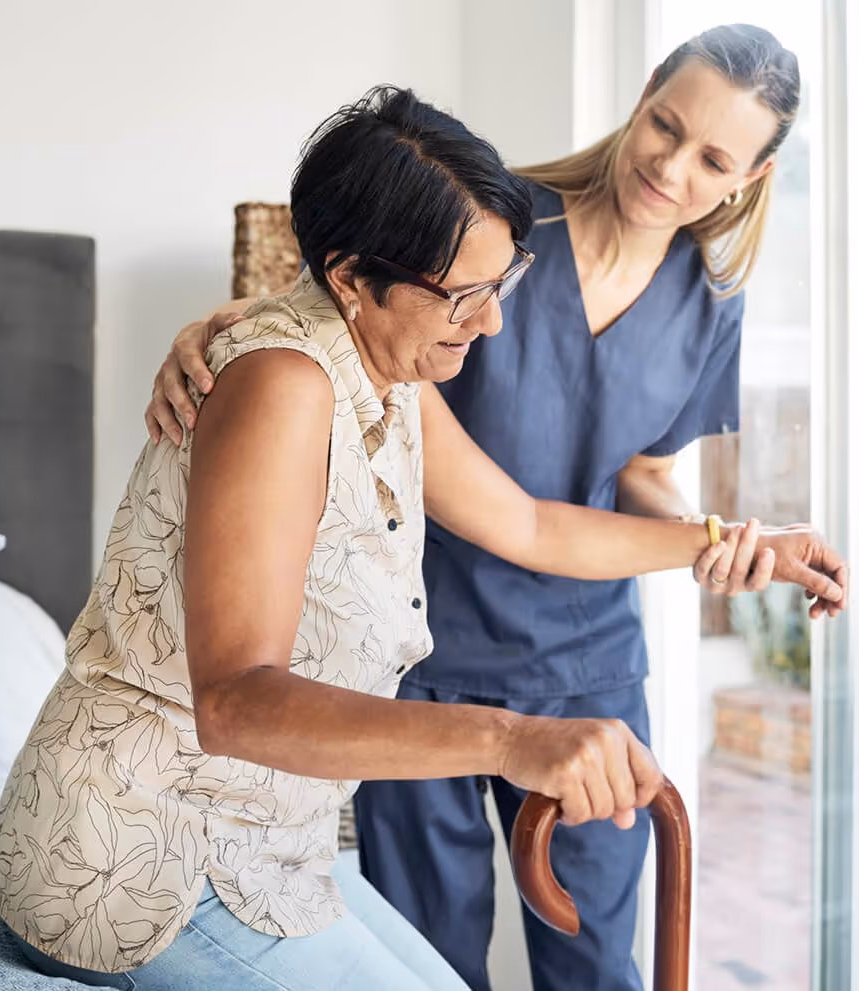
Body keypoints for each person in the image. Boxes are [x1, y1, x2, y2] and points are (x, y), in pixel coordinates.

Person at [141, 32, 846, 991]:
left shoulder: (711, 303)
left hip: (587, 663)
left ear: (751, 176)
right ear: (643, 96)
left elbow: (635, 472)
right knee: (431, 959)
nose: (671, 167)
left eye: (713, 159)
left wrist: (716, 546)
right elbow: (338, 315)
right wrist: (217, 328)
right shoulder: (497, 232)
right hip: (427, 652)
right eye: (666, 125)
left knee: (596, 964)